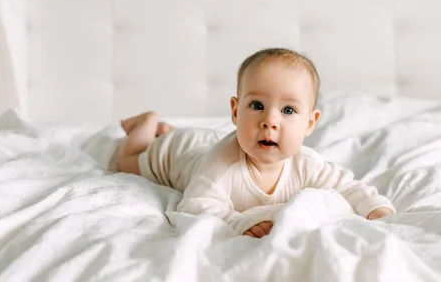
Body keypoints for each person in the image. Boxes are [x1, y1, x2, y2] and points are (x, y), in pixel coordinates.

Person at [115, 48, 396, 238]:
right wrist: (239, 222)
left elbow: (347, 186)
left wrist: (373, 206)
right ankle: (147, 124)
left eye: (288, 110)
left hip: (202, 142)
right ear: (236, 112)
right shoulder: (221, 167)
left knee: (195, 141)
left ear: (310, 123)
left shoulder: (307, 164)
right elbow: (195, 207)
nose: (269, 121)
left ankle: (165, 129)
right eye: (257, 105)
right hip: (175, 153)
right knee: (125, 162)